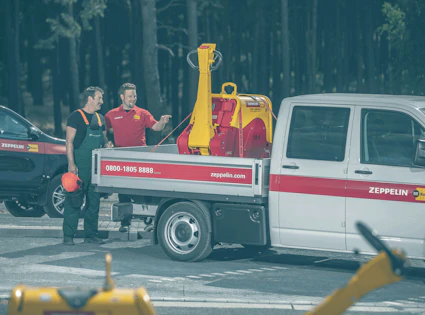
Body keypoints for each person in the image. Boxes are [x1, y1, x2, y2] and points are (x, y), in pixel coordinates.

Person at [105, 83, 171, 232]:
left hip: (139, 159)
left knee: (142, 191)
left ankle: (148, 221)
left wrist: (162, 122)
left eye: (134, 95)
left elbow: (155, 127)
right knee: (123, 193)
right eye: (130, 96)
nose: (133, 99)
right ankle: (125, 224)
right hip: (121, 160)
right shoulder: (111, 114)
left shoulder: (143, 113)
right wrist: (106, 142)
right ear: (122, 97)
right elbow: (103, 131)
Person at [63, 86, 114, 245]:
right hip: (79, 166)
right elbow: (69, 142)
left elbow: (104, 141)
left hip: (96, 168)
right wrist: (71, 163)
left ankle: (91, 235)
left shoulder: (100, 118)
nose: (102, 101)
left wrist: (108, 145)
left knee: (94, 203)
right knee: (74, 201)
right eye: (99, 98)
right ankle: (68, 236)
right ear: (90, 98)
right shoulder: (75, 117)